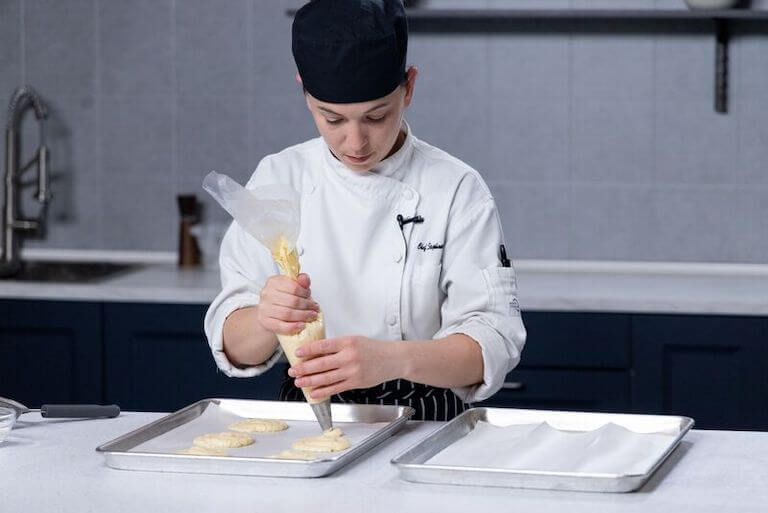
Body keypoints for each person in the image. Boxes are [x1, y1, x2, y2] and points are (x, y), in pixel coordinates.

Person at [204, 0, 526, 421]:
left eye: (376, 116)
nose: (355, 143)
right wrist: (266, 319)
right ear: (304, 91)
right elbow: (234, 346)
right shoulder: (279, 177)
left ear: (408, 87)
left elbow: (492, 343)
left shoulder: (456, 187)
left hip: (425, 419)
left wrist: (392, 359)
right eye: (332, 119)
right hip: (309, 420)